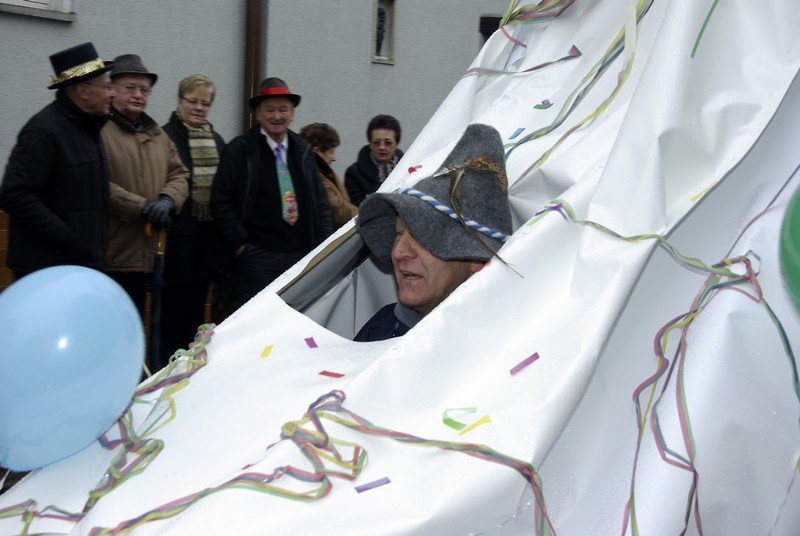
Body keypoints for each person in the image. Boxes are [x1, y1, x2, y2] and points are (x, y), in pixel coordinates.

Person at [354, 123, 512, 342]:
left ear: (477, 261)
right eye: (398, 233)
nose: (398, 252)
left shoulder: (507, 346)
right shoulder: (377, 330)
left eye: (421, 236)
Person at [210, 77, 332, 317]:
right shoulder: (240, 149)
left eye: (283, 109)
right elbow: (220, 201)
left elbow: (320, 204)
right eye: (270, 109)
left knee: (291, 319)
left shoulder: (303, 150)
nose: (277, 116)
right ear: (258, 114)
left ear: (292, 114)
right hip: (257, 257)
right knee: (256, 317)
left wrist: (321, 248)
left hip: (299, 256)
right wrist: (241, 245)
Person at [0, 42, 115, 279]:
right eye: (106, 86)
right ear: (83, 91)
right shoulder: (43, 131)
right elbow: (14, 194)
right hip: (47, 269)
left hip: (82, 262)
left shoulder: (90, 129)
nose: (112, 93)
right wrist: (66, 237)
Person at [101, 54, 189, 365]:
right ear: (111, 89)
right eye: (131, 88)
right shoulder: (100, 130)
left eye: (144, 90)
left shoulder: (156, 134)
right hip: (114, 255)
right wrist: (141, 207)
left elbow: (179, 174)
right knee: (111, 336)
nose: (138, 95)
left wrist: (167, 200)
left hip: (150, 255)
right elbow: (98, 184)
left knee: (138, 335)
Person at [161, 74, 226, 356]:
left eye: (205, 103)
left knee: (198, 318)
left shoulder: (217, 141)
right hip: (177, 246)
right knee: (173, 318)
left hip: (207, 248)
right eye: (193, 101)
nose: (199, 108)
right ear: (180, 101)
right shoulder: (165, 137)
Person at [299, 123, 357, 230]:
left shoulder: (327, 174)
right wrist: (363, 214)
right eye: (331, 152)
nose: (333, 158)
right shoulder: (316, 178)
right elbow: (337, 209)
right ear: (317, 151)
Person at [344, 114, 404, 207]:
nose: (382, 147)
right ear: (370, 145)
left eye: (388, 143)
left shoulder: (409, 170)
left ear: (397, 144)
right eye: (376, 143)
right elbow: (356, 209)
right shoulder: (354, 173)